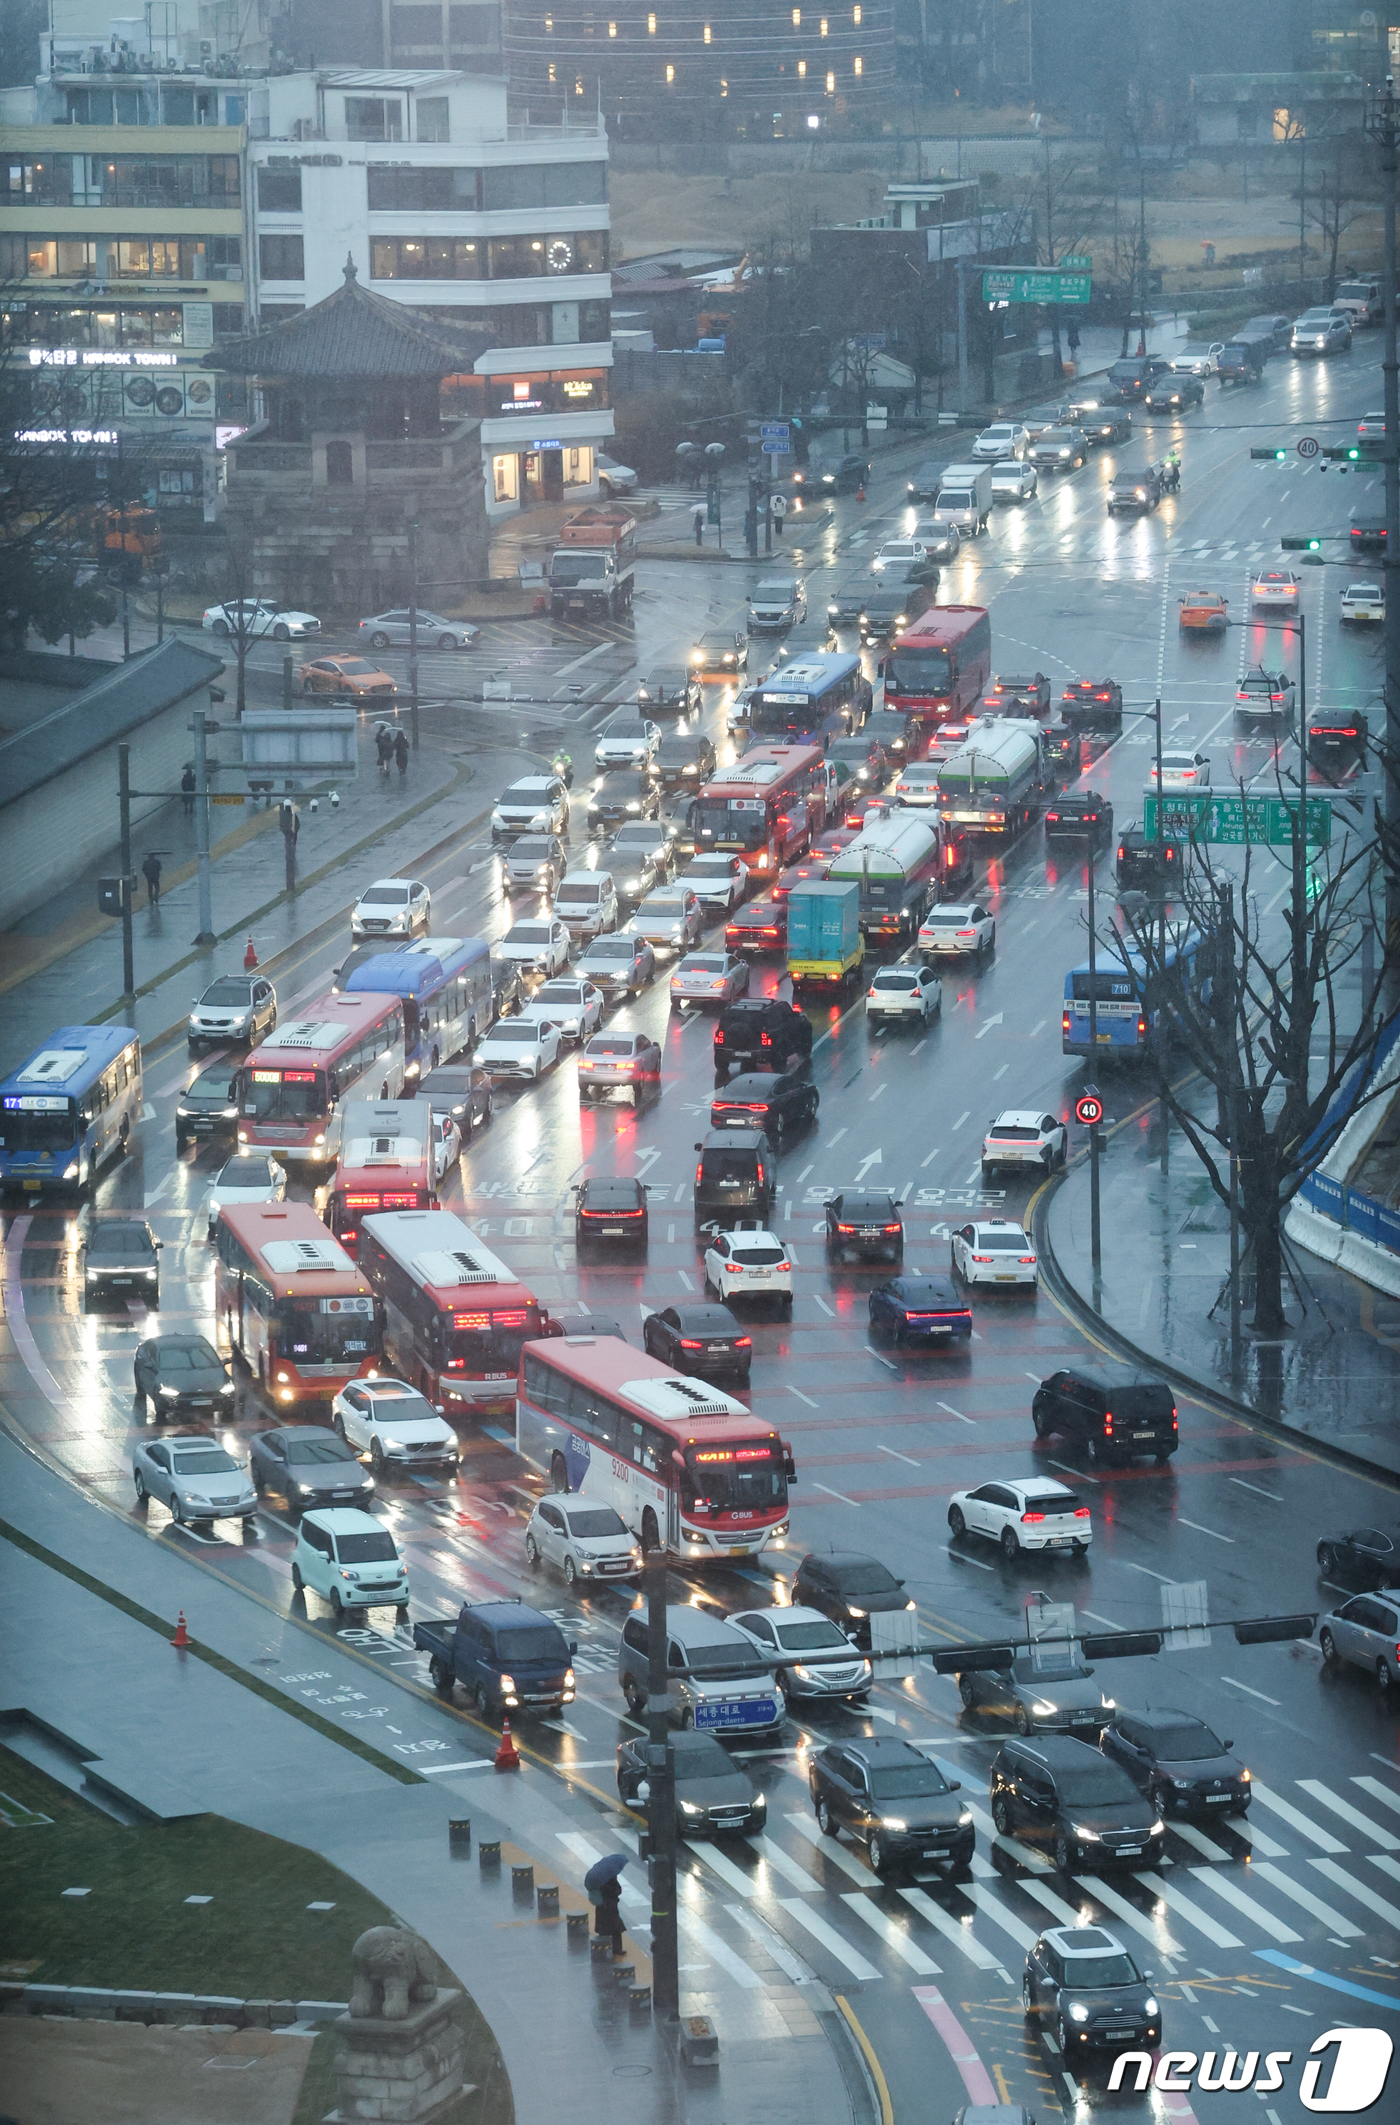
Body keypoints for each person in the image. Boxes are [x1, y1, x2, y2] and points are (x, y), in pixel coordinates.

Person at [594, 1874, 625, 1957]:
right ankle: (616, 1949)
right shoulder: (608, 1881)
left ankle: (604, 1948)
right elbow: (616, 1891)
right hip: (609, 1906)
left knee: (605, 1928)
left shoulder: (598, 1880)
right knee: (615, 1928)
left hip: (603, 1906)